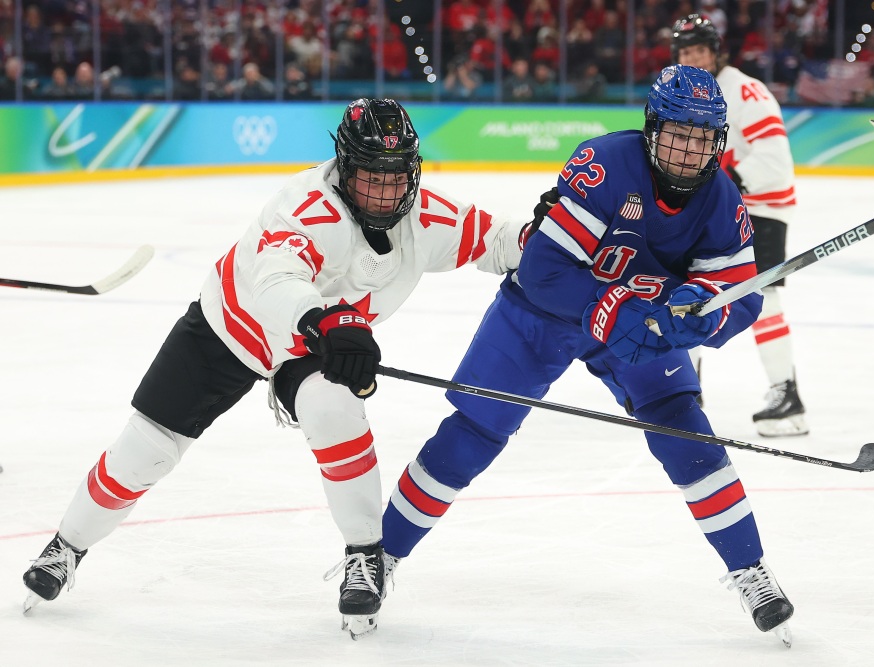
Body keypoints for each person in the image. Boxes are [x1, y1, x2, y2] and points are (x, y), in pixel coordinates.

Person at [21, 98, 525, 640]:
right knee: (147, 450)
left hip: (308, 348)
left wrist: (560, 236)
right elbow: (276, 281)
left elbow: (498, 239)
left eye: (396, 177)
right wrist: (327, 321)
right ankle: (67, 545)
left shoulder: (425, 217)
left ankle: (365, 556)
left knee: (336, 410)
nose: (385, 192)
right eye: (370, 178)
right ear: (344, 167)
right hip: (232, 326)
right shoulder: (305, 206)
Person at [381, 65, 795, 646]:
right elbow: (544, 270)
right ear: (653, 128)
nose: (689, 150)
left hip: (638, 325)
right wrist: (616, 310)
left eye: (704, 138)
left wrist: (687, 317)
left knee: (685, 429)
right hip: (542, 314)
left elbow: (739, 302)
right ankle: (381, 556)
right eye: (679, 133)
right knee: (475, 429)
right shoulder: (606, 163)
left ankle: (750, 568)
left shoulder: (722, 200)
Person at [672, 14, 808, 437]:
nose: (693, 58)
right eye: (685, 52)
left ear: (716, 52)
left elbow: (774, 160)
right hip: (719, 210)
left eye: (700, 50)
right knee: (686, 290)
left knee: (763, 297)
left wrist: (726, 186)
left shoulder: (745, 90)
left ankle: (787, 396)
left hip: (761, 209)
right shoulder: (690, 94)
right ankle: (684, 390)